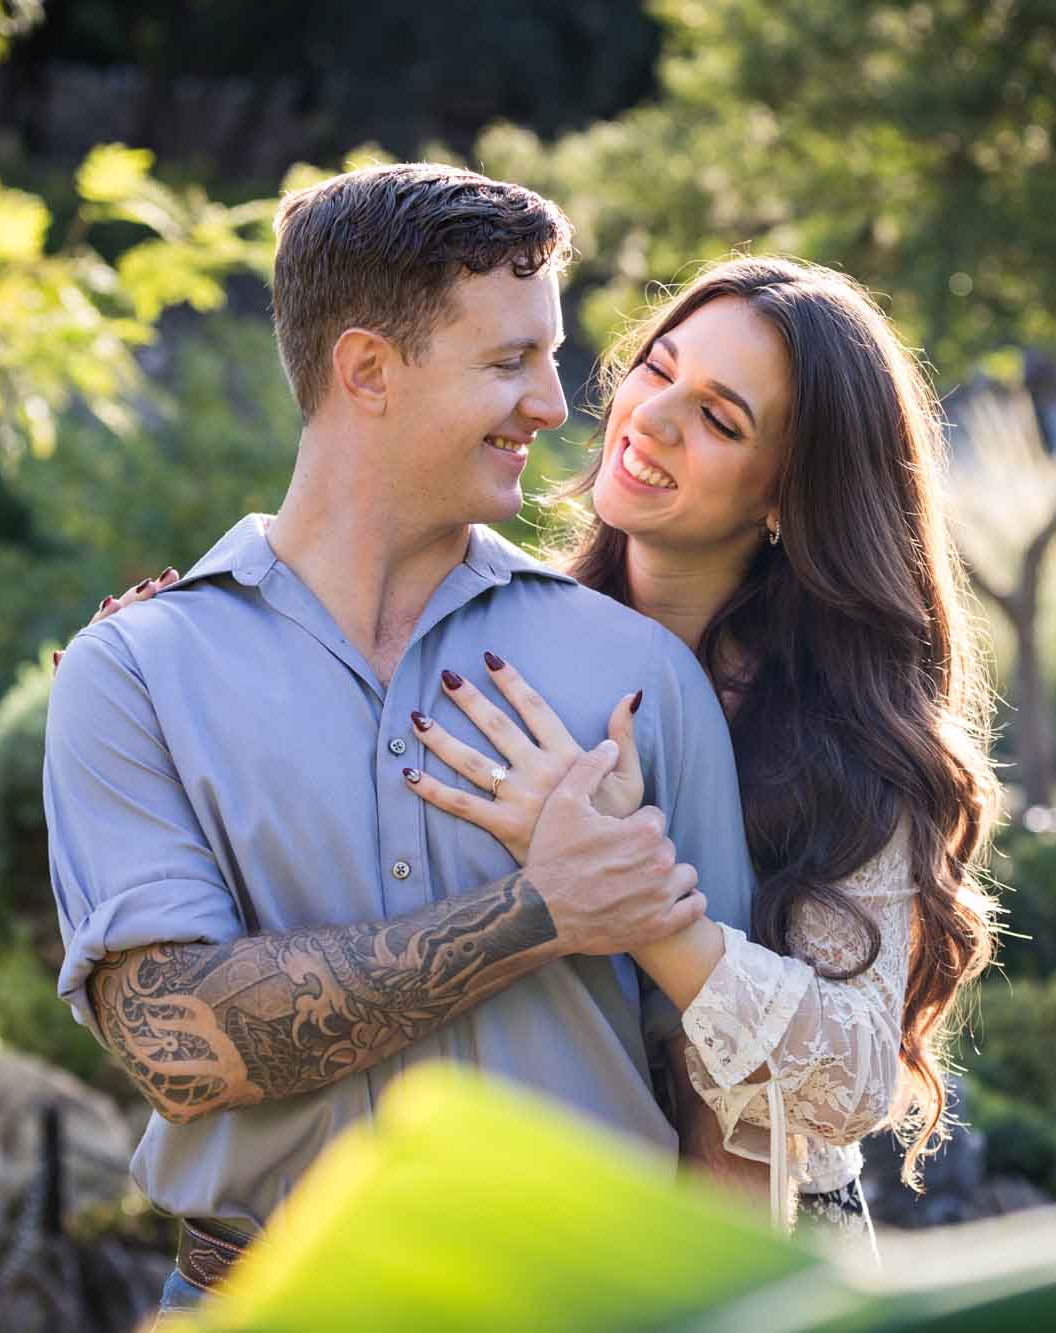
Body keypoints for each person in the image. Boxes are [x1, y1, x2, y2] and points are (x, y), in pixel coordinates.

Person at [85, 254, 1002, 1256]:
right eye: (657, 369)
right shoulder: (507, 643)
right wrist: (172, 657)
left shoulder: (844, 743)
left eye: (718, 419)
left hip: (762, 1246)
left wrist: (641, 909)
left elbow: (855, 1076)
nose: (652, 419)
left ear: (789, 493)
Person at [42, 163, 760, 1321]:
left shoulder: (637, 677)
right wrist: (539, 910)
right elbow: (180, 1045)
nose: (552, 405)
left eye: (551, 358)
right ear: (368, 370)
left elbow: (730, 1085)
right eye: (509, 362)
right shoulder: (136, 674)